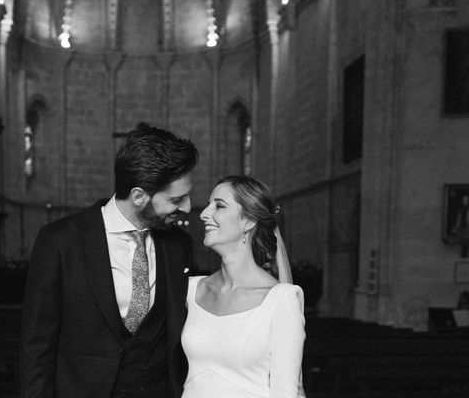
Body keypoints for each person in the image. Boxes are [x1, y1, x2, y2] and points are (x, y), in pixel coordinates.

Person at [20, 124, 199, 398]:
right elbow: (36, 347)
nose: (187, 207)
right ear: (139, 196)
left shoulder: (179, 245)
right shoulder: (60, 241)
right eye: (177, 199)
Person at [181, 175, 305, 398]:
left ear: (248, 221)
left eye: (218, 205)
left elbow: (285, 392)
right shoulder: (191, 290)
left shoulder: (281, 300)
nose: (203, 213)